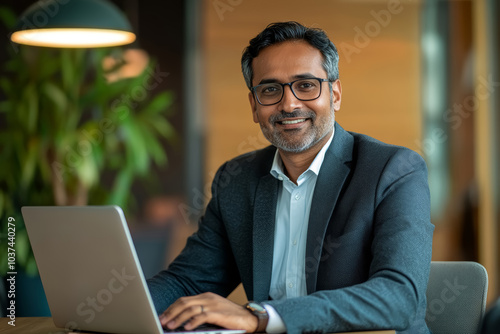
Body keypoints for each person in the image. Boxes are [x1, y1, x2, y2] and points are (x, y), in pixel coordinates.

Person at [147, 21, 434, 334]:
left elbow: (399, 297)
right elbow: (187, 280)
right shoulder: (237, 179)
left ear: (335, 94)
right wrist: (104, 308)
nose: (289, 104)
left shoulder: (394, 170)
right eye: (270, 90)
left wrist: (263, 316)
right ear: (254, 106)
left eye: (306, 85)